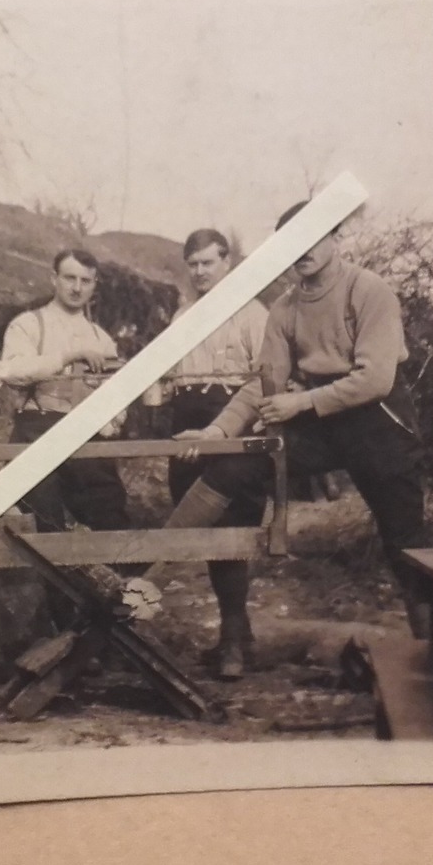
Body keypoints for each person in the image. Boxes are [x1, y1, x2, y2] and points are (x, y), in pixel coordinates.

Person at [167, 203, 432, 677]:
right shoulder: (286, 307)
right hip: (323, 423)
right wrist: (217, 431)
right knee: (233, 465)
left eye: (312, 237)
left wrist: (301, 404)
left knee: (406, 541)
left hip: (380, 421)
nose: (302, 251)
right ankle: (166, 566)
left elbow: (375, 380)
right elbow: (262, 383)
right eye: (291, 243)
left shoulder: (369, 291)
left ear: (335, 237)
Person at [160, 229, 270, 676]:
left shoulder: (252, 313)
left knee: (231, 533)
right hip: (185, 423)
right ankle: (240, 638)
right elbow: (165, 380)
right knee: (202, 530)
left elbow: (265, 378)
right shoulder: (182, 317)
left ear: (228, 262)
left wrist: (221, 427)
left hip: (232, 421)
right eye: (194, 264)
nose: (201, 272)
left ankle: (232, 645)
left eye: (209, 262)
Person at [0, 248, 133, 533]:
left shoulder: (101, 338)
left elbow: (118, 397)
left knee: (110, 512)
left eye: (86, 280)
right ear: (54, 279)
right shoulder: (29, 324)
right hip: (37, 429)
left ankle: (120, 578)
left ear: (94, 285)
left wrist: (110, 421)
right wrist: (66, 357)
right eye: (70, 278)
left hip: (85, 434)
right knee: (45, 520)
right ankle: (55, 577)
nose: (77, 287)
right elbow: (10, 373)